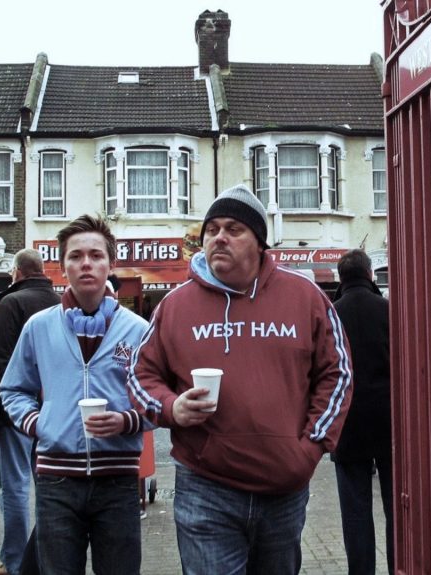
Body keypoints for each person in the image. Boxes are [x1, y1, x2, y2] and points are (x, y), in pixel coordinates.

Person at [127, 184, 353, 574]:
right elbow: (139, 374)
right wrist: (170, 407)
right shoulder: (175, 305)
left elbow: (338, 374)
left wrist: (310, 448)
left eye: (233, 229)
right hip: (205, 486)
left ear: (259, 241)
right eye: (212, 229)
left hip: (283, 487)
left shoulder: (305, 297)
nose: (219, 238)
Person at [0, 215, 149, 575]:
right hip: (56, 481)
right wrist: (40, 424)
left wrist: (127, 421)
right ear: (62, 265)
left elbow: (158, 398)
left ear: (110, 264)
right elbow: (13, 388)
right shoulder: (39, 327)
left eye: (96, 256)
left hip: (118, 482)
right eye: (76, 256)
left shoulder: (139, 329)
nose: (86, 264)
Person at [0, 248, 60, 575]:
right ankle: (41, 556)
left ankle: (14, 560)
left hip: (16, 410)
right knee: (48, 487)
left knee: (13, 485)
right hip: (52, 408)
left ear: (18, 272)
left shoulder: (10, 304)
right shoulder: (58, 302)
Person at [331, 249, 394, 575]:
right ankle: (401, 565)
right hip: (389, 421)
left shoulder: (333, 314)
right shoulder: (389, 311)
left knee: (355, 511)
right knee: (396, 506)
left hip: (348, 424)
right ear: (370, 275)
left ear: (341, 278)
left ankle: (362, 570)